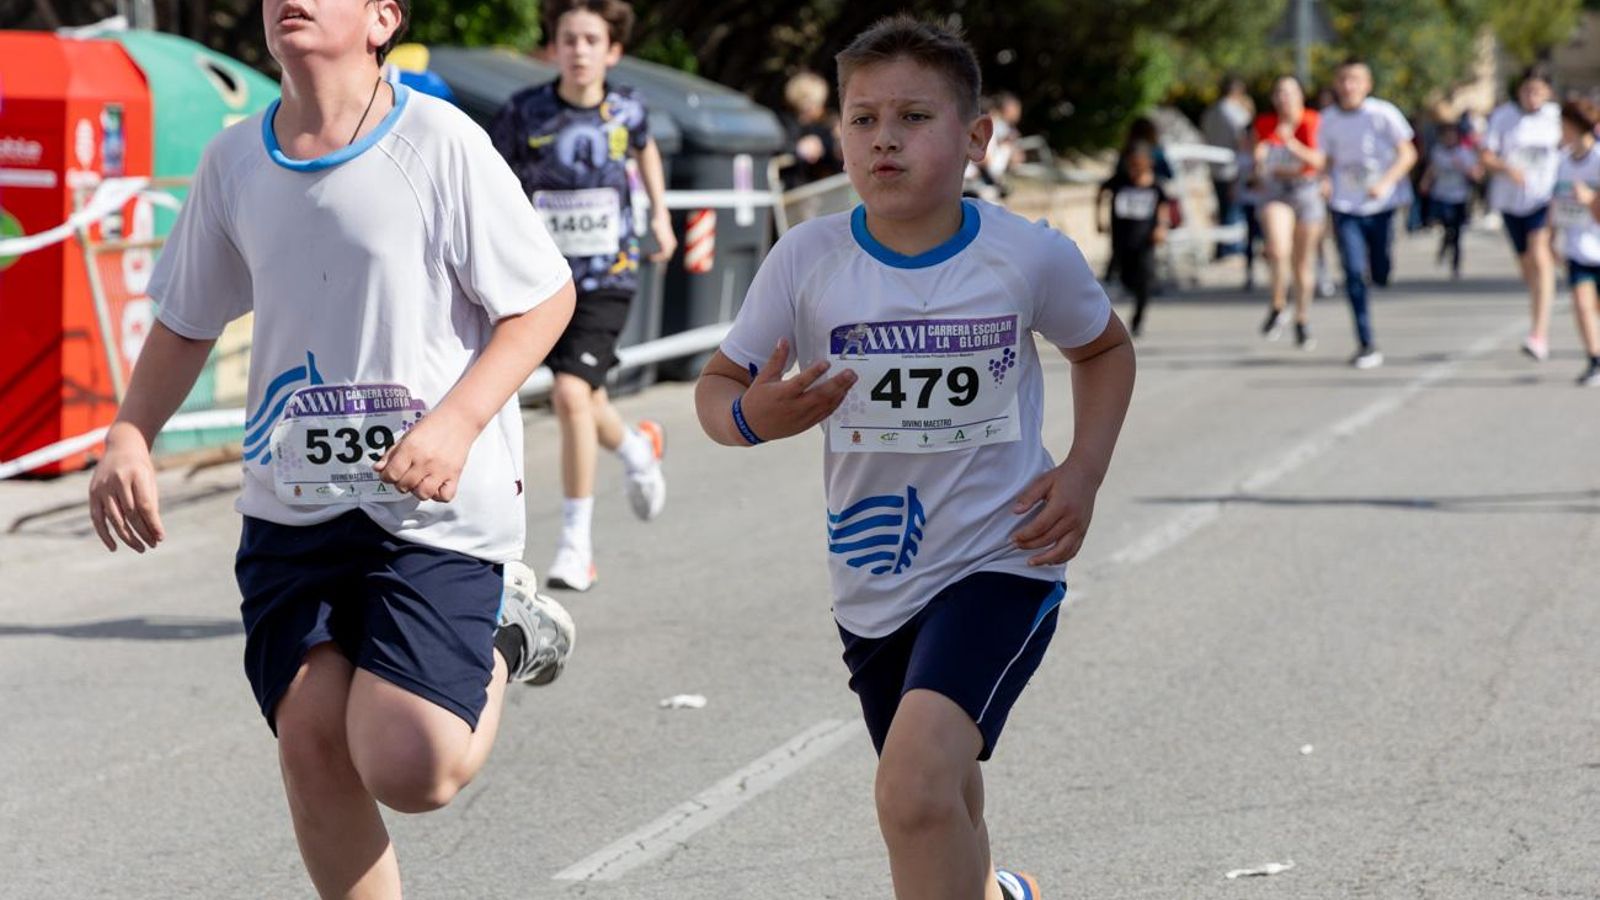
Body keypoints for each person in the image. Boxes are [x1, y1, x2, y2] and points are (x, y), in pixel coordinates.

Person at [85, 0, 579, 896]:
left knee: (411, 768)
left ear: (383, 17)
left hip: (429, 505)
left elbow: (543, 301)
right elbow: (187, 320)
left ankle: (510, 629)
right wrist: (129, 434)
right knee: (313, 744)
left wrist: (458, 422)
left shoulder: (439, 141)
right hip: (293, 506)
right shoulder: (235, 158)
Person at [694, 16, 1134, 900]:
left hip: (1001, 557)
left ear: (976, 138)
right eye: (862, 118)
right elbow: (716, 390)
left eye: (912, 117)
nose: (883, 138)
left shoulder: (1026, 255)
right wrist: (753, 416)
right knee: (947, 794)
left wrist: (1082, 473)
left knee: (912, 790)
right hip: (874, 579)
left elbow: (1104, 349)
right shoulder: (808, 258)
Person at [491, 0, 675, 592]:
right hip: (542, 281)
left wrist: (662, 217)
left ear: (612, 50)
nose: (579, 50)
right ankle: (637, 447)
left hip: (608, 275)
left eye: (591, 40)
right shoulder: (523, 112)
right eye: (568, 39)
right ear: (553, 47)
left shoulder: (628, 108)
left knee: (570, 391)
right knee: (585, 394)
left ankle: (577, 545)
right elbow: (494, 181)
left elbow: (643, 146)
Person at [1318, 57, 1417, 369]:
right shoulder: (1328, 119)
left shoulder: (1383, 114)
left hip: (1381, 205)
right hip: (1346, 206)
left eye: (1355, 80)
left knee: (1380, 270)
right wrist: (1323, 181)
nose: (1349, 86)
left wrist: (1386, 182)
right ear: (1336, 84)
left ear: (1367, 84)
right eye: (1343, 80)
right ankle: (1365, 341)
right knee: (1352, 272)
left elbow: (1408, 153)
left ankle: (1383, 267)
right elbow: (1325, 161)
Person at [1481, 65, 1563, 362]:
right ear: (1519, 90)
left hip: (1544, 198)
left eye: (1539, 91)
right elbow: (1486, 154)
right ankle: (1544, 295)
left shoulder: (1556, 119)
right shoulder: (1504, 117)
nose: (1532, 96)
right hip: (1510, 201)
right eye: (1528, 90)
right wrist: (1506, 168)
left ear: (1548, 92)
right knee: (1527, 265)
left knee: (1539, 253)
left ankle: (1538, 334)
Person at [1252, 75, 1326, 350]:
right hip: (1277, 191)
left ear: (1300, 96)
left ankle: (1302, 319)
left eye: (1290, 93)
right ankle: (1277, 304)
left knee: (1302, 263)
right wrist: (1259, 164)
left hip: (1305, 190)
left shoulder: (1313, 121)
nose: (1284, 98)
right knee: (1277, 249)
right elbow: (1259, 159)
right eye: (1279, 93)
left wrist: (1291, 144)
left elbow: (1319, 161)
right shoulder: (1264, 123)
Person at [1098, 142, 1172, 336]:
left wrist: (1161, 227)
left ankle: (1138, 319)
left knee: (1145, 280)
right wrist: (1098, 219)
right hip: (1121, 240)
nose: (1134, 170)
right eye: (1131, 165)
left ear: (1148, 164)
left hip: (1145, 242)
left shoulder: (1156, 186)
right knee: (1124, 278)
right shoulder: (1120, 181)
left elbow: (1164, 207)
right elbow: (1101, 192)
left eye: (1138, 165)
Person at [1553, 99, 1600, 386]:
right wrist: (1548, 237)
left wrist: (1591, 200)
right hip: (1576, 246)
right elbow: (1556, 201)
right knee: (1582, 305)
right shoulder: (1562, 161)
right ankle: (1594, 359)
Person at [1419, 119, 1480, 279]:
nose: (1449, 140)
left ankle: (1455, 264)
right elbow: (1432, 169)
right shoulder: (1438, 152)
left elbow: (1476, 174)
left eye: (1452, 136)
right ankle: (1444, 246)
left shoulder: (1464, 153)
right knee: (1448, 226)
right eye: (1446, 137)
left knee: (1458, 231)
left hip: (1460, 196)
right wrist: (1425, 183)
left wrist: (1464, 168)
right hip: (1442, 195)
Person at [1201, 74, 1253, 259]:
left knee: (1223, 209)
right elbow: (1243, 139)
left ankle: (1222, 249)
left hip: (1214, 168)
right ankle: (1231, 249)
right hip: (1233, 168)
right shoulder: (1233, 112)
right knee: (1232, 209)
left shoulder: (1211, 112)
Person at [781, 70, 845, 190]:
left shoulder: (830, 123)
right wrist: (799, 149)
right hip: (801, 190)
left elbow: (836, 150)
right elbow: (781, 148)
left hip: (830, 188)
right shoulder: (788, 125)